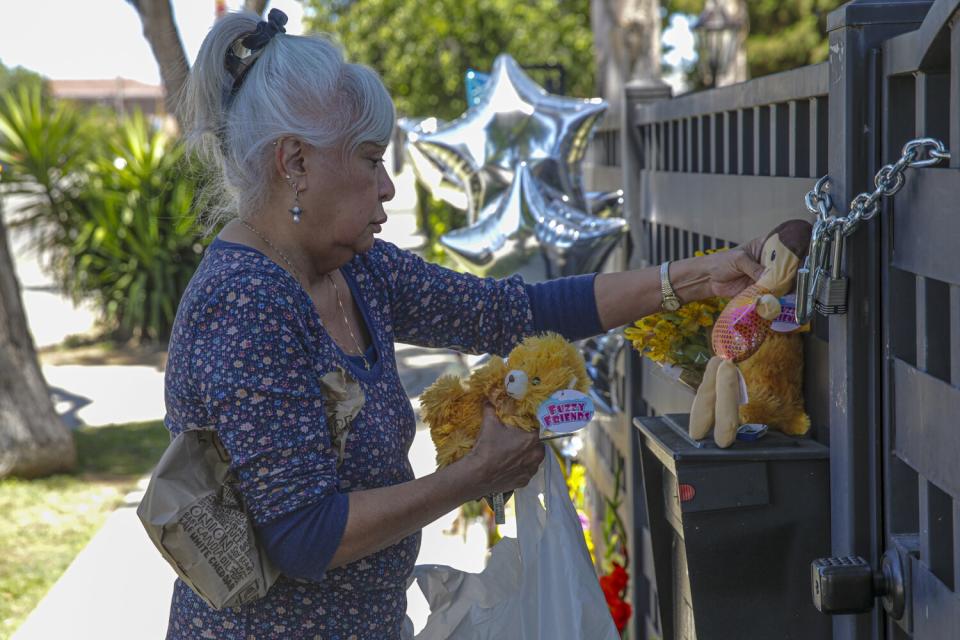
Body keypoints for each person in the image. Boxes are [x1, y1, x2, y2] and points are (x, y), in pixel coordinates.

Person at [164, 9, 768, 639]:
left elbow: (516, 312)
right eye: (371, 160)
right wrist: (472, 476)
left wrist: (693, 279)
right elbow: (303, 534)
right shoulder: (244, 306)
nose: (389, 187)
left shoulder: (357, 270)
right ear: (296, 163)